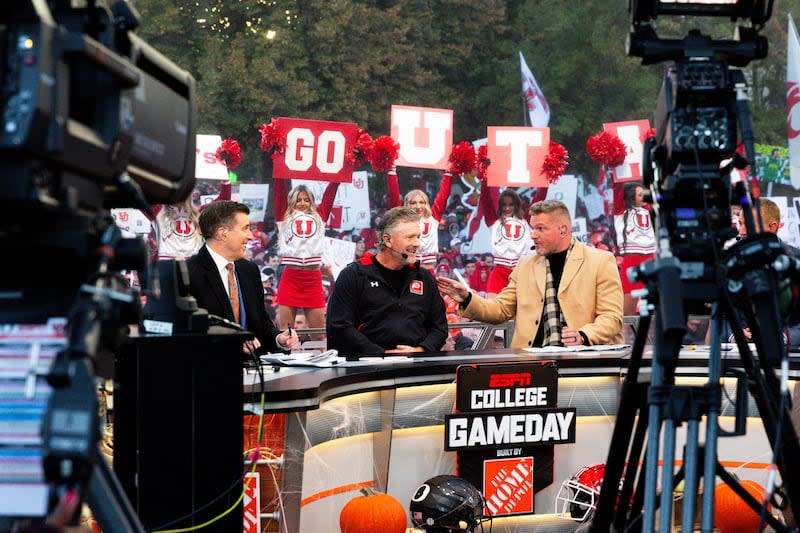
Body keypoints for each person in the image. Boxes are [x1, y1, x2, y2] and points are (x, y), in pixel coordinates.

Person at [437, 200, 624, 348]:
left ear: (563, 230)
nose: (533, 235)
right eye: (532, 228)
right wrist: (467, 298)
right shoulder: (525, 264)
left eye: (540, 228)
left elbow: (611, 318)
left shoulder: (601, 261)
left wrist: (584, 335)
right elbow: (501, 309)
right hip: (533, 363)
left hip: (581, 361)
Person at [326, 207, 448, 355]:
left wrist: (421, 349)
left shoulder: (424, 277)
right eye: (410, 237)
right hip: (366, 370)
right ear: (387, 240)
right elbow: (340, 326)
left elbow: (439, 327)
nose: (418, 244)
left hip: (416, 368)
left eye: (418, 237)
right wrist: (382, 354)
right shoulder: (353, 275)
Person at [187, 201, 298, 353]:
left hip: (256, 371)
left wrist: (279, 339)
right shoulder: (189, 273)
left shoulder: (249, 270)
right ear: (222, 233)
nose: (250, 236)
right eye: (245, 228)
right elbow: (187, 334)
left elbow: (262, 325)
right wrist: (231, 343)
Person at [274, 179, 339, 337]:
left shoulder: (320, 216)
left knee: (318, 334)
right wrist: (279, 170)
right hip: (291, 277)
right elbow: (279, 190)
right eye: (298, 200)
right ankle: (286, 361)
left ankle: (320, 358)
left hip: (312, 279)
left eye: (306, 200)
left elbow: (329, 195)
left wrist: (337, 177)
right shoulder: (283, 215)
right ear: (291, 201)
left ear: (312, 202)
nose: (302, 203)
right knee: (286, 333)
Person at [387, 167, 454, 270]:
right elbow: (393, 196)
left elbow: (444, 195)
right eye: (413, 203)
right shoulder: (401, 218)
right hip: (407, 267)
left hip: (428, 267)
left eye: (421, 202)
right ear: (407, 204)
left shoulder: (433, 217)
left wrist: (448, 174)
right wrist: (392, 172)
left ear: (426, 204)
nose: (418, 206)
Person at [480, 188, 535, 296]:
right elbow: (485, 200)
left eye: (511, 204)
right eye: (504, 205)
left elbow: (538, 199)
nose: (507, 208)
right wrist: (484, 178)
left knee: (522, 310)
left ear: (517, 205)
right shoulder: (494, 221)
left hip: (520, 272)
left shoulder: (526, 220)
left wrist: (545, 182)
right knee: (491, 309)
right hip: (499, 271)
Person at [613, 182, 656, 315]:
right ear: (631, 197)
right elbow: (617, 189)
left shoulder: (650, 209)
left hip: (651, 259)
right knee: (628, 311)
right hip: (632, 259)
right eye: (640, 194)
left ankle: (654, 335)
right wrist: (616, 170)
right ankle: (626, 334)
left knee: (656, 306)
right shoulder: (621, 210)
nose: (644, 196)